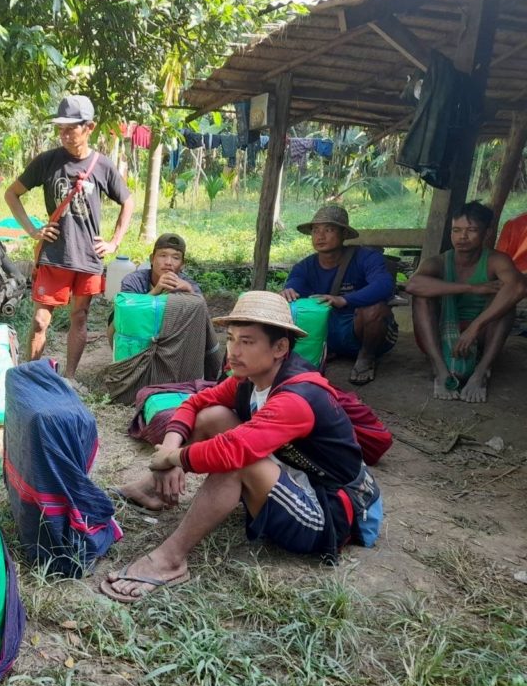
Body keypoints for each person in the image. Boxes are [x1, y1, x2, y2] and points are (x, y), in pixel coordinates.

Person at [101, 291, 382, 603]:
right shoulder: (250, 378)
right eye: (231, 338)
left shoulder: (297, 398)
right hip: (292, 474)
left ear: (280, 348)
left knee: (236, 459)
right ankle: (153, 489)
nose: (233, 351)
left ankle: (170, 561)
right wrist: (167, 455)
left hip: (328, 510)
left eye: (247, 342)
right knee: (214, 416)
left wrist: (175, 457)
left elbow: (232, 450)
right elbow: (195, 403)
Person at [5, 94, 134, 380]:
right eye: (60, 127)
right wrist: (32, 230)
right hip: (54, 254)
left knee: (80, 316)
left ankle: (71, 379)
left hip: (88, 257)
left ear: (89, 128)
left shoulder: (102, 166)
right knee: (40, 320)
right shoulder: (47, 161)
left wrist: (114, 241)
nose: (64, 134)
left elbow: (128, 201)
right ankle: (32, 376)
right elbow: (11, 194)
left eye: (71, 128)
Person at [405, 201, 527, 403]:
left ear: (487, 233)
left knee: (507, 301)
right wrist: (472, 288)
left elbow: (519, 288)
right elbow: (412, 285)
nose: (462, 237)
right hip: (441, 333)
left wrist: (475, 328)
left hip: (481, 335)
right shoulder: (440, 261)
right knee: (421, 298)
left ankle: (481, 372)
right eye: (456, 230)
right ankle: (440, 369)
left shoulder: (496, 260)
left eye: (471, 230)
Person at [282, 205, 397, 385]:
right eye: (316, 231)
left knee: (376, 310)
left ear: (344, 234)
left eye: (328, 230)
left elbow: (384, 285)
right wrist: (288, 291)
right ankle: (327, 349)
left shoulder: (366, 258)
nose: (320, 236)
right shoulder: (304, 266)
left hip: (360, 329)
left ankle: (366, 357)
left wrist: (344, 299)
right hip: (328, 332)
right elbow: (295, 282)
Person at [106, 232, 203, 345]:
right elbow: (127, 311)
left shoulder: (187, 284)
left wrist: (190, 292)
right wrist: (155, 291)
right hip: (139, 335)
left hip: (173, 338)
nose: (168, 262)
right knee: (116, 316)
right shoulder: (134, 280)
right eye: (163, 255)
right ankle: (125, 359)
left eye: (176, 258)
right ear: (152, 259)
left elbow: (201, 317)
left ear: (182, 264)